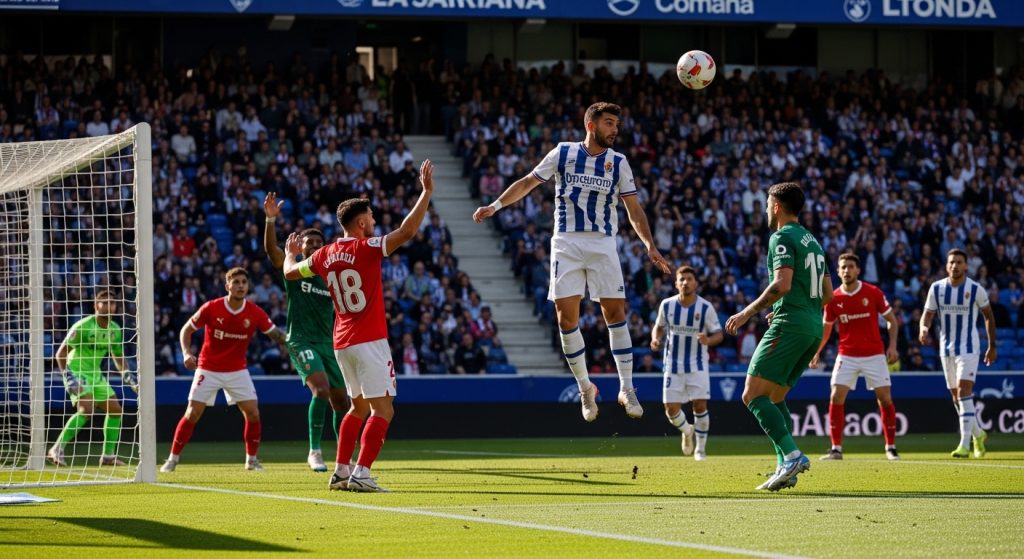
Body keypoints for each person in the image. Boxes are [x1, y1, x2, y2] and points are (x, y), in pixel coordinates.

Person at [473, 102, 670, 422]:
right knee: (566, 318)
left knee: (615, 313)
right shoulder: (562, 153)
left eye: (616, 124)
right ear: (590, 125)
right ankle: (585, 388)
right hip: (565, 242)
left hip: (603, 243)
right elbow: (527, 182)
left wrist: (649, 245)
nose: (615, 129)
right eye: (609, 123)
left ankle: (626, 387)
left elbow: (633, 209)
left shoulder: (618, 163)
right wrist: (494, 206)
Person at [283, 159, 434, 492]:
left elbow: (289, 273)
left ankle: (340, 470)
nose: (375, 222)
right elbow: (407, 232)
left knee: (358, 407)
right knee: (384, 409)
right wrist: (425, 193)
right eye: (373, 219)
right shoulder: (367, 248)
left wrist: (288, 253)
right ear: (363, 222)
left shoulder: (323, 255)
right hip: (369, 340)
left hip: (342, 342)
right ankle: (362, 473)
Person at [725, 182, 831, 492]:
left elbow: (782, 284)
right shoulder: (815, 242)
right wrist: (798, 307)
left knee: (752, 395)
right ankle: (785, 464)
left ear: (776, 207)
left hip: (791, 324)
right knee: (775, 397)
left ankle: (792, 455)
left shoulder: (781, 237)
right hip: (812, 325)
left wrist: (747, 313)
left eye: (768, 204)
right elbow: (826, 294)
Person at [160, 267, 287, 473]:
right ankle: (172, 459)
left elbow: (275, 334)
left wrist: (290, 341)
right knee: (192, 413)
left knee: (253, 414)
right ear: (227, 285)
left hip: (237, 370)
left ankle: (251, 460)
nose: (240, 286)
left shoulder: (255, 312)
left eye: (243, 283)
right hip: (208, 368)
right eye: (235, 282)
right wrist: (185, 353)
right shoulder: (212, 307)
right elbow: (186, 329)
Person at [264, 192, 349, 473]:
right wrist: (270, 220)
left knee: (342, 401)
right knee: (321, 390)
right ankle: (314, 451)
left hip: (330, 342)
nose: (313, 246)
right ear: (300, 248)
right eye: (308, 243)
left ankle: (343, 456)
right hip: (301, 340)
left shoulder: (331, 275)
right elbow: (273, 254)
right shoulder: (295, 270)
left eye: (317, 243)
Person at [809, 252, 901, 461]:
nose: (846, 270)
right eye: (842, 267)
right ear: (838, 271)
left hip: (874, 354)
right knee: (835, 396)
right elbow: (826, 329)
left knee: (885, 399)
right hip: (847, 355)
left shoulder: (873, 292)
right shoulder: (833, 298)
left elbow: (892, 321)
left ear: (858, 270)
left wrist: (893, 346)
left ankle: (891, 447)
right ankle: (836, 449)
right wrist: (817, 351)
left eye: (850, 266)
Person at [920, 248, 997, 458]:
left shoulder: (975, 289)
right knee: (956, 398)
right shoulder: (936, 289)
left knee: (964, 392)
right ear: (947, 265)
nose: (955, 265)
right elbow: (927, 315)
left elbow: (989, 316)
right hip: (946, 350)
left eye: (959, 262)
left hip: (969, 348)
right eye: (952, 262)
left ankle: (964, 445)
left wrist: (992, 345)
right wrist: (923, 329)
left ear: (966, 266)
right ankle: (979, 434)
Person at [48, 290, 137, 467]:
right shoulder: (83, 326)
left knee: (115, 410)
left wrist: (129, 377)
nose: (110, 306)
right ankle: (56, 449)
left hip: (96, 374)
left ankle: (108, 456)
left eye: (113, 303)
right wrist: (68, 377)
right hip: (76, 371)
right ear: (97, 305)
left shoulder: (115, 330)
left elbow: (118, 357)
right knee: (86, 409)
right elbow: (61, 353)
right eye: (106, 302)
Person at [650, 266, 723, 461]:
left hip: (697, 364)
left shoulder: (705, 308)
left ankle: (700, 449)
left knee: (699, 405)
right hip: (672, 364)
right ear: (676, 283)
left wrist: (709, 340)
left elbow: (718, 334)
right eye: (681, 279)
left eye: (689, 279)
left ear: (695, 283)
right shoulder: (667, 305)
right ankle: (687, 430)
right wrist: (655, 339)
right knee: (671, 409)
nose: (685, 282)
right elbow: (658, 328)